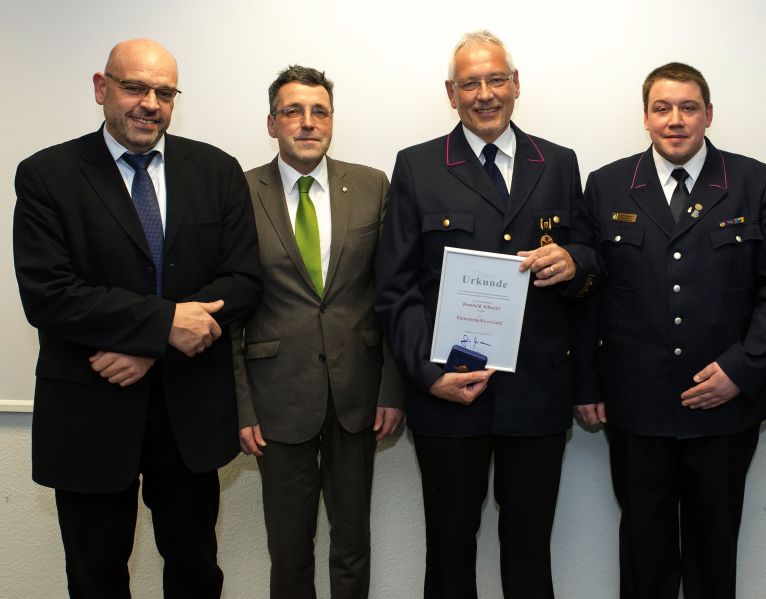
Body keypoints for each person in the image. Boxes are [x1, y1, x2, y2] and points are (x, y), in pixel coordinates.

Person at [12, 39, 262, 598]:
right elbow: (49, 296)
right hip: (88, 412)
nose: (150, 103)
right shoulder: (46, 175)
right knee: (96, 575)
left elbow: (243, 280)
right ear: (102, 89)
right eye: (135, 87)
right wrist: (163, 325)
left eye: (164, 92)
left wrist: (152, 343)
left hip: (188, 414)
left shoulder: (217, 171)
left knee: (197, 569)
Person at [374, 30, 598, 599]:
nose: (484, 94)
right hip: (449, 393)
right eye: (469, 83)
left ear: (516, 84)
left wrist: (573, 262)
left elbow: (593, 259)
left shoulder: (560, 162)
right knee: (449, 553)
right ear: (450, 94)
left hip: (537, 393)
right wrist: (428, 378)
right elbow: (395, 289)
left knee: (530, 553)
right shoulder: (418, 166)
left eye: (495, 79)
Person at [574, 62, 766, 599]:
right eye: (662, 108)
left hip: (723, 407)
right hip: (637, 407)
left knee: (714, 554)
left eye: (688, 107)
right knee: (643, 555)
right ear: (646, 118)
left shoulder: (755, 182)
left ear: (708, 115)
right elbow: (588, 294)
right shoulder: (607, 185)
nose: (675, 120)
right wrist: (585, 383)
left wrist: (743, 371)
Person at [232, 65, 403, 599]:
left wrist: (391, 391)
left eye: (319, 111)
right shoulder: (239, 192)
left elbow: (393, 293)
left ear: (332, 121)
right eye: (293, 112)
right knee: (288, 544)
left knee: (353, 542)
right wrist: (241, 408)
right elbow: (227, 309)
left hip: (359, 394)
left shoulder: (373, 184)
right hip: (275, 398)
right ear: (271, 123)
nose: (307, 123)